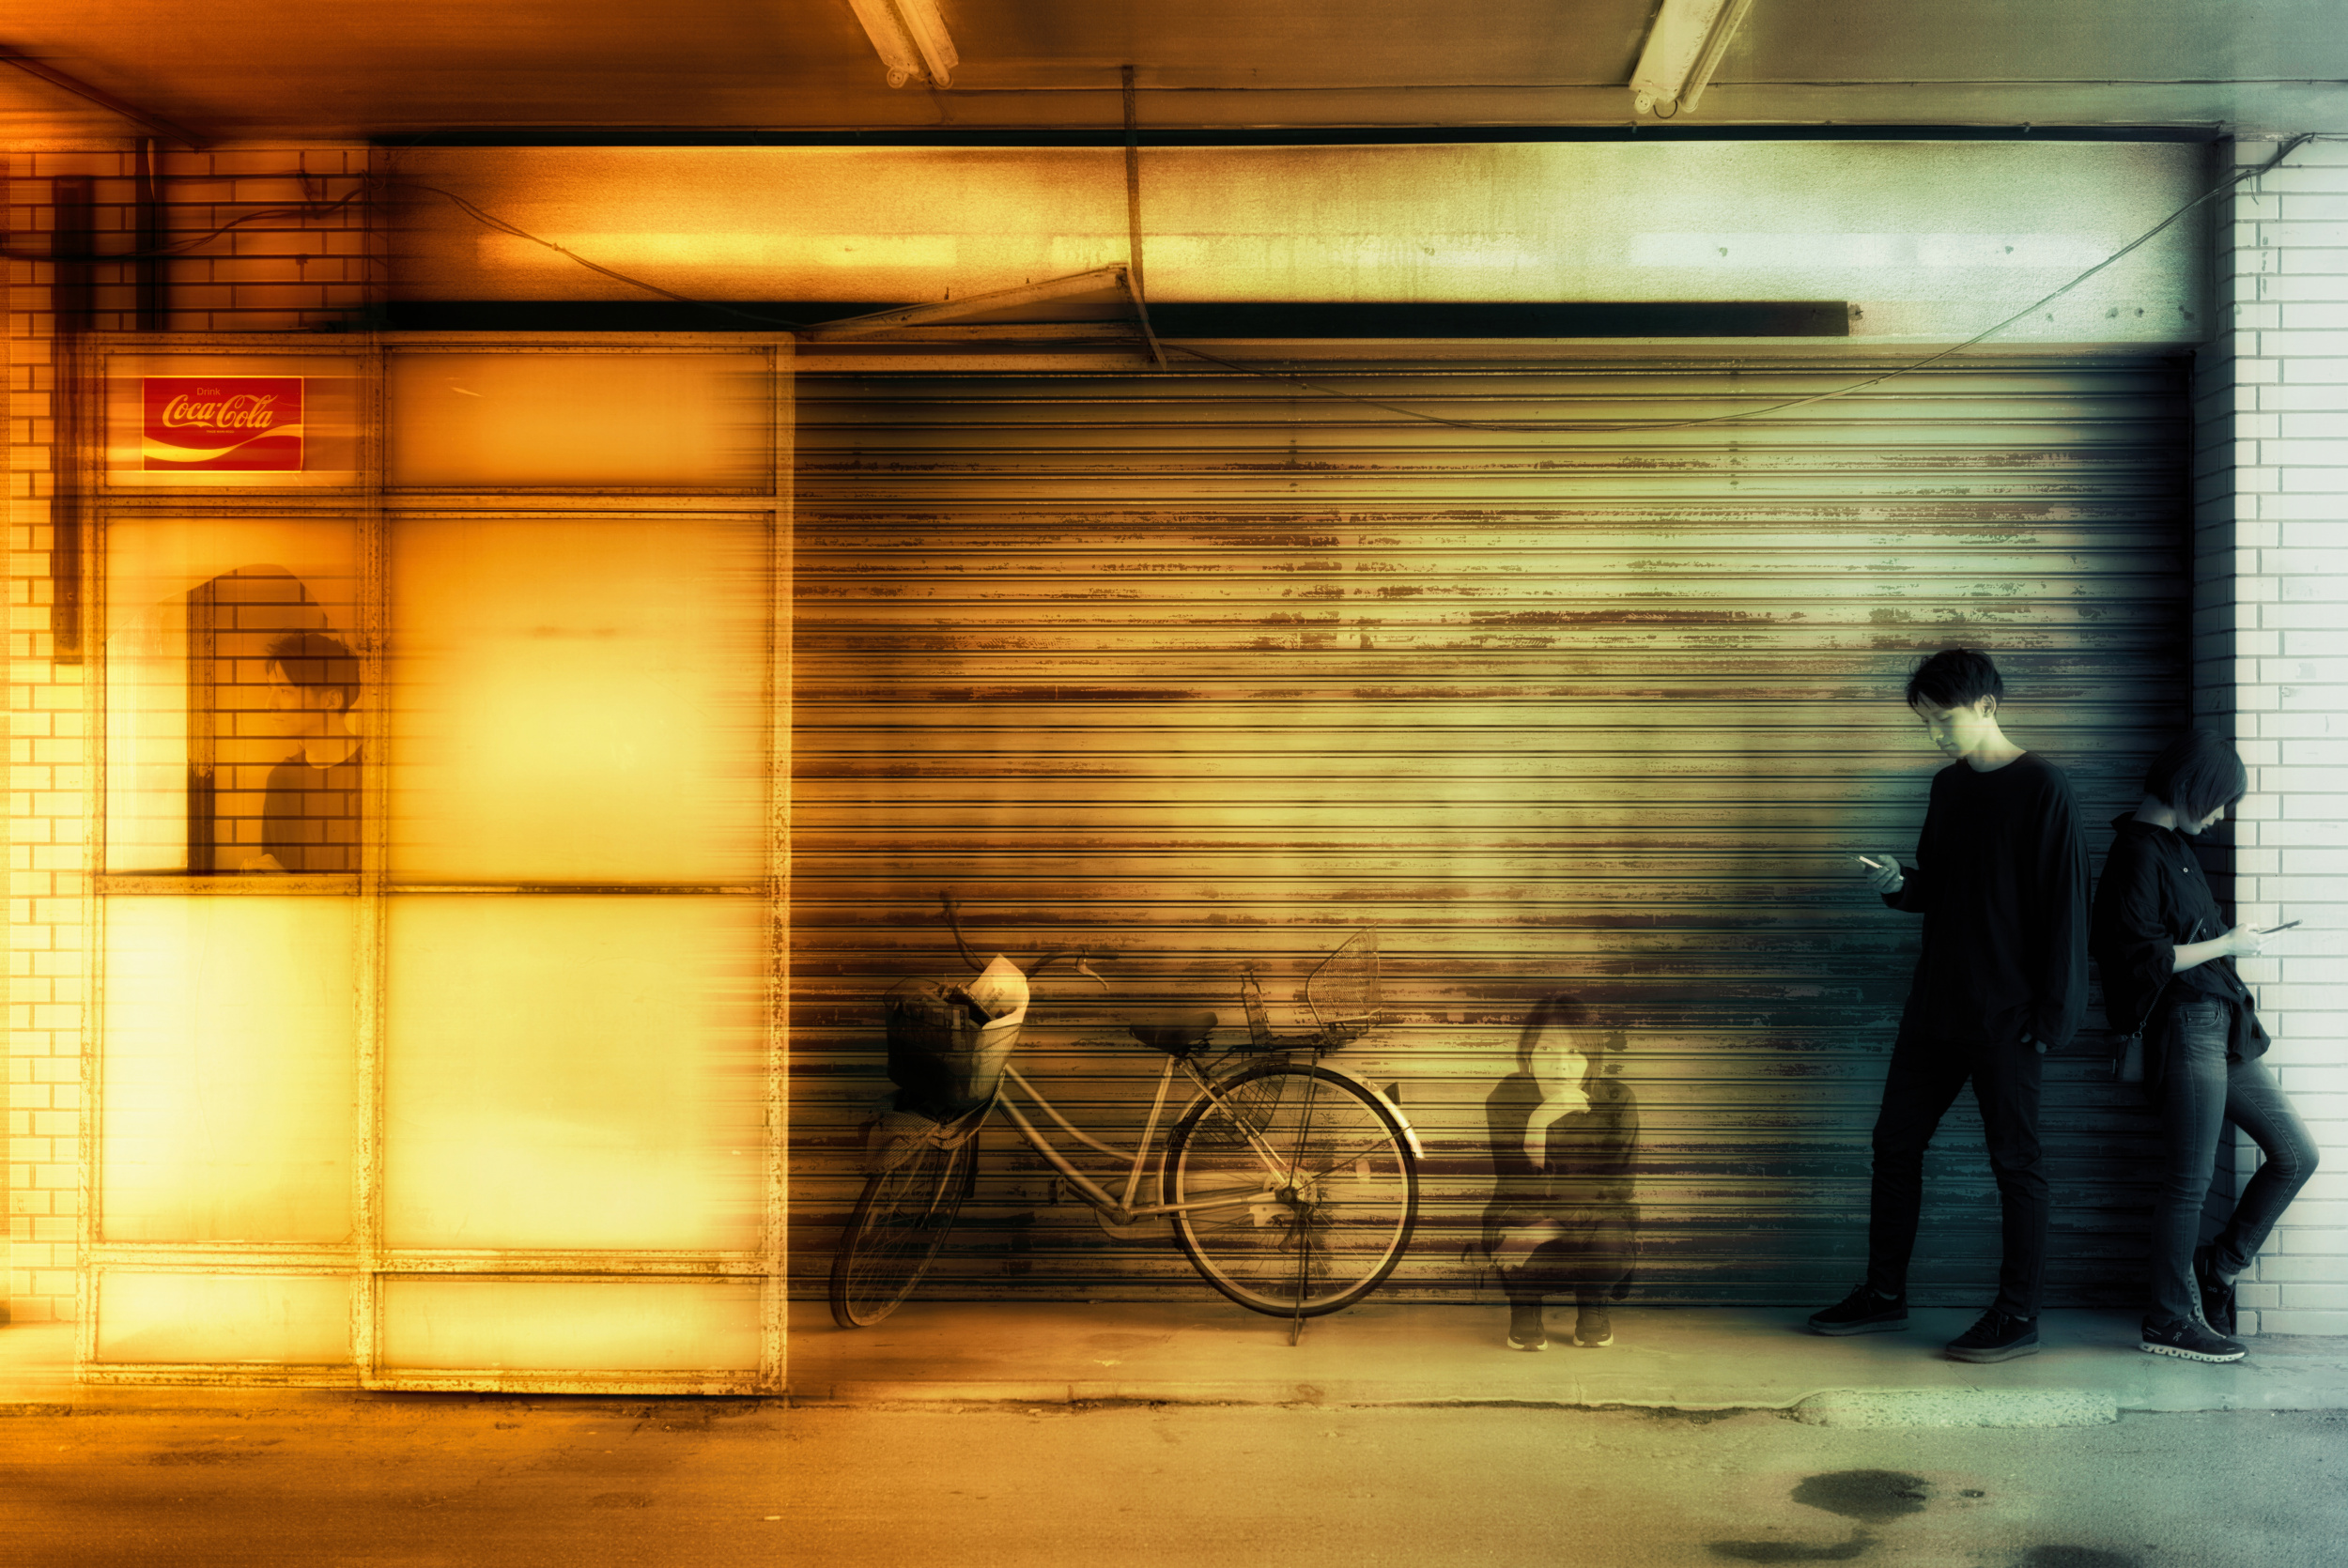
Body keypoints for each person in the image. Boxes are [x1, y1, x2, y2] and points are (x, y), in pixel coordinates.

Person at [1808, 649, 2089, 1362]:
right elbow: (1939, 887)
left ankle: (2018, 1316)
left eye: (1944, 720)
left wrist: (2056, 1016)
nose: (1935, 735)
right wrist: (1899, 883)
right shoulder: (1947, 786)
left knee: (2016, 1164)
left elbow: (2066, 908)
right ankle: (1884, 1294)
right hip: (1936, 1005)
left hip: (2009, 1015)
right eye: (1926, 723)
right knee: (1894, 1145)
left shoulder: (2043, 786)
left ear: (1988, 707)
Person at [2091, 728, 2318, 1362]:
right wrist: (2228, 944)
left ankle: (2216, 1271)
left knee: (2296, 1155)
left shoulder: (2173, 846)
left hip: (2221, 1028)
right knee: (2189, 1181)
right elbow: (2141, 958)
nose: (2219, 817)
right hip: (2185, 1026)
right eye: (2217, 803)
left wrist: (2229, 941)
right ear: (2190, 788)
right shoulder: (2136, 853)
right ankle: (2167, 1318)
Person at [1483, 993, 1639, 1351]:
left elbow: (1616, 1191)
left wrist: (1544, 1230)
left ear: (1591, 1058)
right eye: (1547, 1049)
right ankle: (1524, 1306)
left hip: (1593, 1228)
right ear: (1528, 1053)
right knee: (1511, 1223)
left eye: (1574, 1051)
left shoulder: (1618, 1102)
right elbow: (1515, 1188)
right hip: (1526, 1216)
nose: (1561, 1066)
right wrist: (1537, 1123)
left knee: (1610, 1236)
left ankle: (1593, 1304)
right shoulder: (1505, 1098)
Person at [247, 629, 363, 874]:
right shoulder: (281, 780)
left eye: (284, 691)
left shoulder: (377, 772)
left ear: (331, 700)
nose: (270, 704)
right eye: (270, 689)